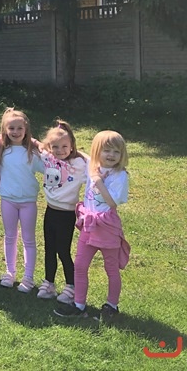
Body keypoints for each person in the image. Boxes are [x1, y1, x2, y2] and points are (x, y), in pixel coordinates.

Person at [55, 131, 130, 321]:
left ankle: (112, 305)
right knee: (80, 266)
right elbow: (78, 153)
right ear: (97, 151)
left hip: (107, 226)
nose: (111, 155)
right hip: (88, 224)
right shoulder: (92, 165)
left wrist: (98, 181)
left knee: (111, 268)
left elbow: (112, 203)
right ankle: (79, 304)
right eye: (107, 150)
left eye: (116, 151)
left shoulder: (120, 176)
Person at [36, 120, 88, 302]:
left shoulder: (79, 164)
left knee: (63, 251)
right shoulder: (48, 158)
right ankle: (49, 284)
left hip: (66, 214)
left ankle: (71, 286)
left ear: (72, 145)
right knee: (49, 249)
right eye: (55, 146)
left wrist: (79, 153)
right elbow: (34, 144)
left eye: (65, 146)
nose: (60, 150)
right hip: (50, 211)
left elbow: (95, 164)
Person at [0, 108, 45, 292]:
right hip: (7, 200)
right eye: (11, 128)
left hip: (28, 203)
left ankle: (28, 277)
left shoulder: (32, 153)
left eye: (19, 128)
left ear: (26, 130)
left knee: (28, 239)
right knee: (10, 236)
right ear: (5, 130)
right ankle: (10, 272)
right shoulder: (0, 150)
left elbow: (48, 168)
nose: (15, 132)